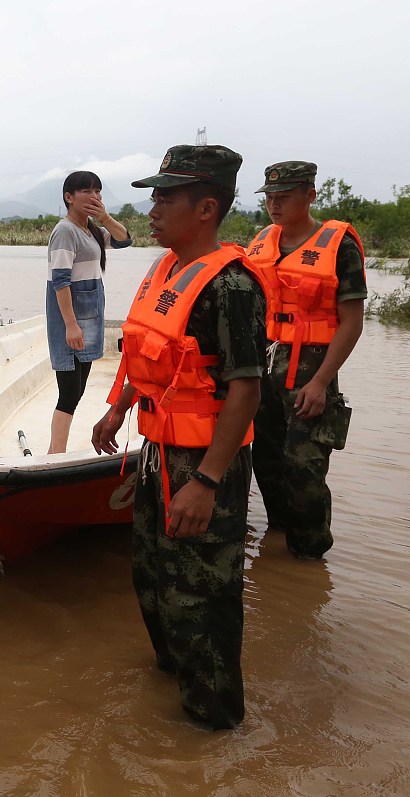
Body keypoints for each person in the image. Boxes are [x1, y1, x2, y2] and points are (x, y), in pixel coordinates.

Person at [91, 145, 267, 730]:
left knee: (202, 595)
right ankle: (175, 681)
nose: (153, 207)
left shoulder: (234, 285)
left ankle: (214, 725)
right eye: (154, 194)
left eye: (167, 196)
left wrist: (208, 482)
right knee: (152, 576)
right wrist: (116, 411)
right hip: (156, 453)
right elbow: (147, 355)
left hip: (204, 463)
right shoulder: (164, 269)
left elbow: (245, 392)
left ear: (207, 208)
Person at [245, 162, 366, 560]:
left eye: (284, 197)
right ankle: (279, 545)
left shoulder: (338, 245)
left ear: (310, 195)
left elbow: (351, 322)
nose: (274, 205)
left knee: (305, 468)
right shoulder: (262, 240)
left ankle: (311, 556)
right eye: (270, 197)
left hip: (311, 368)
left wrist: (321, 382)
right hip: (264, 364)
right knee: (265, 459)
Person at [45, 172, 133, 453]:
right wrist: (70, 325)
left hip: (90, 316)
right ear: (68, 197)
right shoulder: (65, 230)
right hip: (70, 318)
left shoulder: (91, 229)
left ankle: (57, 450)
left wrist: (105, 217)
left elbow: (124, 240)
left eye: (98, 191)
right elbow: (60, 280)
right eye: (86, 191)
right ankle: (55, 452)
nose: (94, 196)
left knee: (78, 389)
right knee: (69, 392)